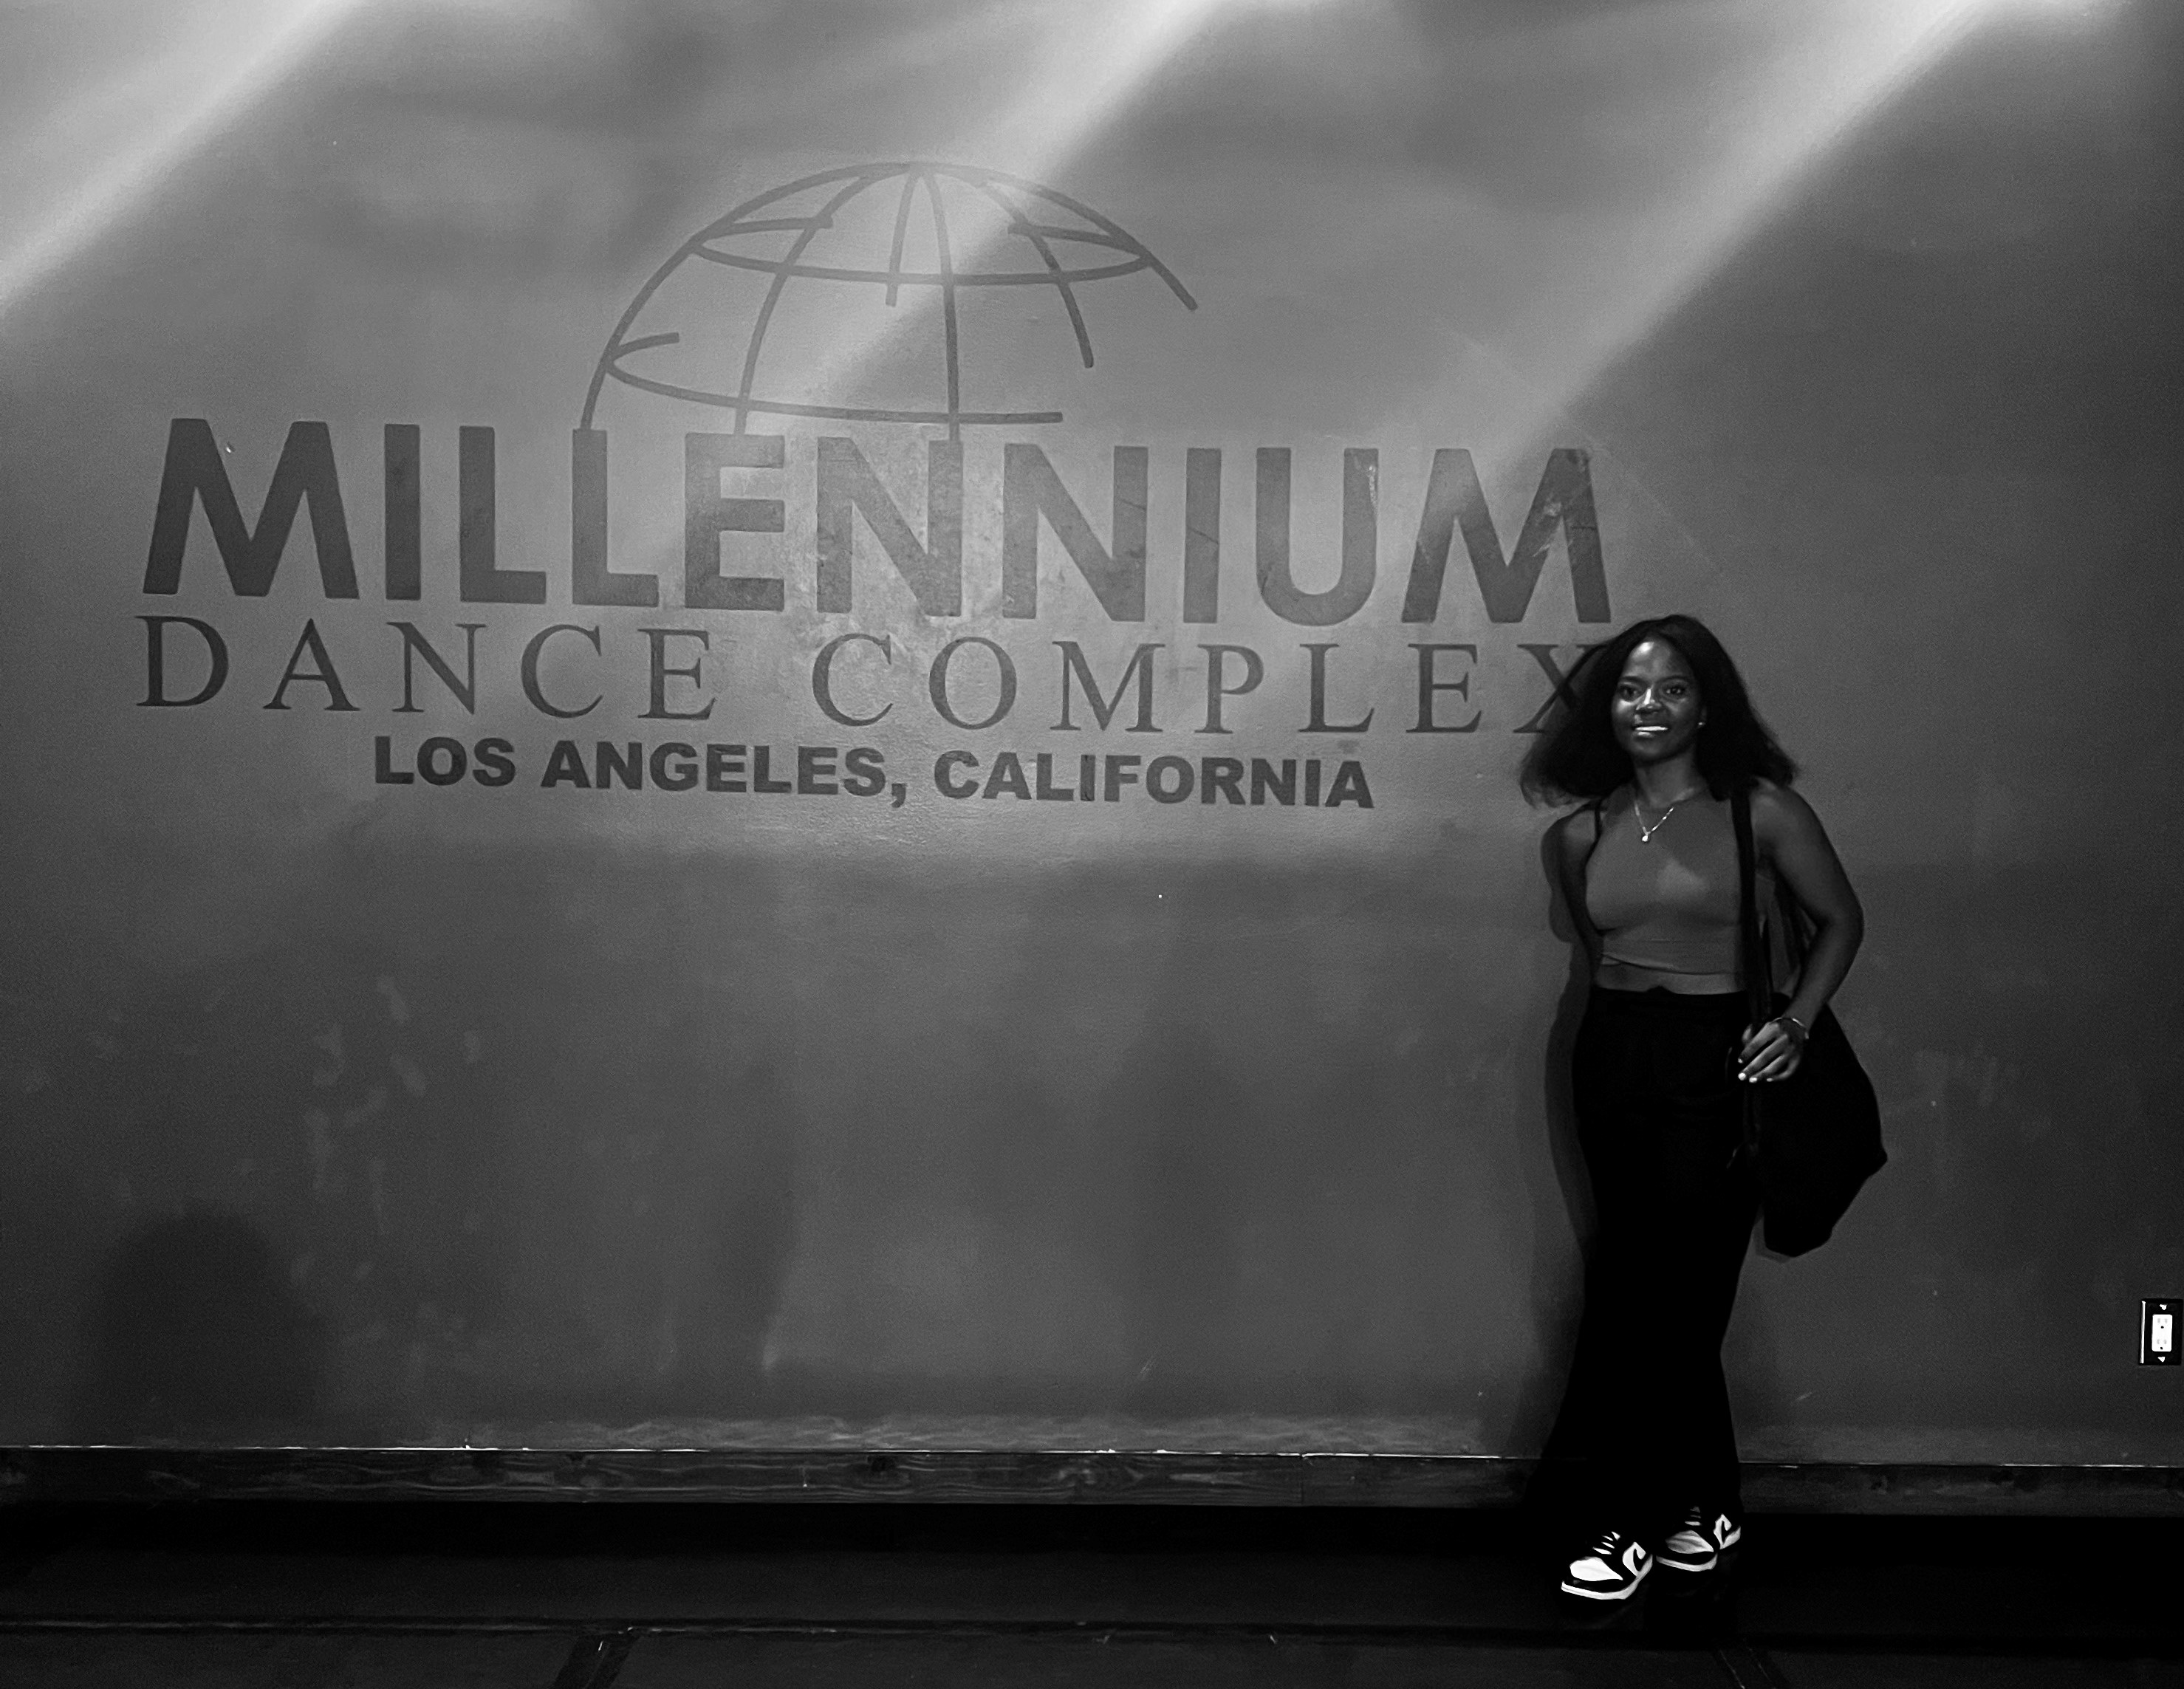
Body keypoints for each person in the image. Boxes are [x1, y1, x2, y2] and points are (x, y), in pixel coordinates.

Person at [1519, 613, 1863, 1603]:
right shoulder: (1580, 832)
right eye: (1630, 691)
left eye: (1671, 689)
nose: (1648, 707)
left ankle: (1623, 1518)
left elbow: (1841, 922)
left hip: (1720, 1061)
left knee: (1676, 1293)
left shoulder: (1764, 812)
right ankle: (1701, 1504)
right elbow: (1604, 953)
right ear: (1606, 709)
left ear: (1706, 706)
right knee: (1636, 1284)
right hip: (1612, 1055)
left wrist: (1795, 1024)